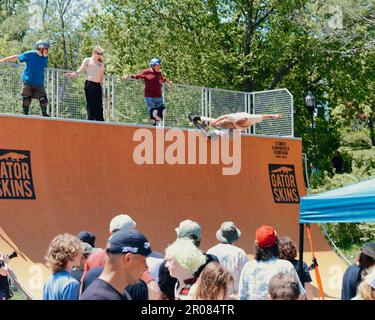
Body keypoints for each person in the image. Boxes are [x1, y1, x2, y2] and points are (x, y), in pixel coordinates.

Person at [80, 228, 151, 300]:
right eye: (143, 261)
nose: (146, 267)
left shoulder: (122, 294)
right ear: (128, 259)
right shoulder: (97, 297)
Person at [238, 225, 306, 300]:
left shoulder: (248, 267)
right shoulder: (286, 266)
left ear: (257, 245)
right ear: (277, 244)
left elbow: (241, 296)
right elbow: (301, 295)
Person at [158, 219, 219, 300]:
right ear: (199, 241)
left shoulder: (168, 265)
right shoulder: (212, 262)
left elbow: (163, 293)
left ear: (178, 239)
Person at [0, 40, 50, 117]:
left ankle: (45, 114)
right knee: (26, 99)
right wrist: (3, 60)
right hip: (27, 81)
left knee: (44, 100)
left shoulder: (45, 57)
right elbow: (16, 57)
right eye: (46, 49)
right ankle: (25, 116)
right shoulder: (30, 54)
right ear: (41, 49)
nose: (47, 51)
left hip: (39, 83)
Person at [122, 58, 172, 126]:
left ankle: (155, 123)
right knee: (153, 112)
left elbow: (162, 79)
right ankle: (154, 126)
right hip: (149, 97)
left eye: (159, 65)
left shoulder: (159, 73)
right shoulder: (146, 72)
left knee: (163, 111)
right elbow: (138, 76)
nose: (158, 67)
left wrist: (168, 82)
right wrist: (129, 76)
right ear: (152, 66)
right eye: (157, 65)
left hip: (158, 96)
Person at [206, 221, 248, 298]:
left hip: (214, 295)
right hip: (233, 296)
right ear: (235, 237)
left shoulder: (210, 251)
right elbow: (245, 277)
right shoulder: (240, 253)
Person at [65, 46, 105, 121]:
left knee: (99, 104)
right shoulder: (87, 60)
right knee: (91, 103)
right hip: (90, 84)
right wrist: (72, 74)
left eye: (101, 54)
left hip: (98, 85)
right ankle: (91, 120)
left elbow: (101, 77)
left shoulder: (101, 64)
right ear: (94, 52)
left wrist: (102, 88)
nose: (100, 55)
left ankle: (100, 121)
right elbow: (80, 70)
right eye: (99, 53)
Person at [43, 234, 83, 300]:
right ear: (70, 255)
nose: (81, 255)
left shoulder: (49, 281)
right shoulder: (72, 284)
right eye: (78, 252)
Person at [189, 112, 283, 132]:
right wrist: (215, 122)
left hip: (234, 126)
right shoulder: (235, 118)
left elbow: (265, 116)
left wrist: (274, 116)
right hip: (229, 122)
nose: (239, 123)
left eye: (240, 123)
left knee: (216, 123)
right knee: (217, 123)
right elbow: (224, 116)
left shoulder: (252, 118)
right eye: (239, 123)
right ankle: (200, 118)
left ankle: (204, 120)